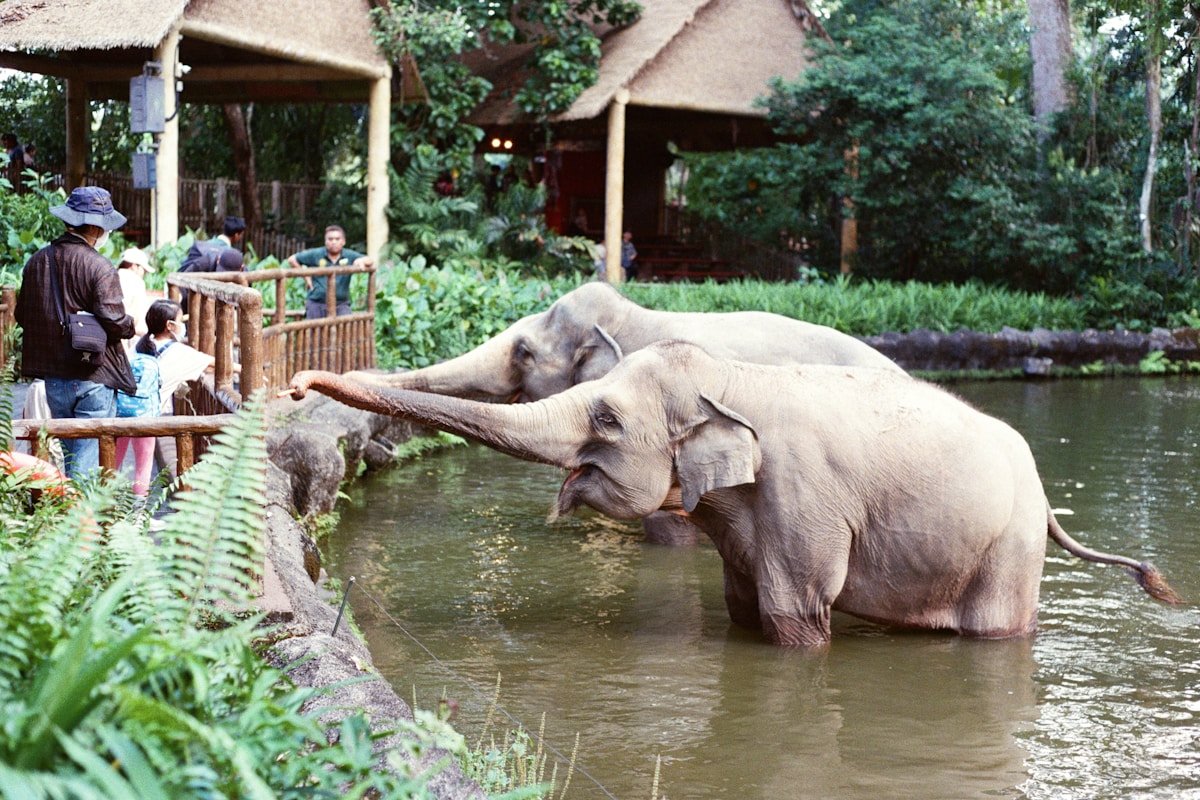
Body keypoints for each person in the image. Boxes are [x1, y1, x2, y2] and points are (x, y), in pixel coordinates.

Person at [15, 186, 136, 479]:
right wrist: (130, 324)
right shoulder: (100, 266)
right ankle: (79, 522)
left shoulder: (36, 262)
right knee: (85, 464)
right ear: (95, 227)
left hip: (55, 377)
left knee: (71, 457)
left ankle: (69, 517)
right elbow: (115, 321)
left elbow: (22, 315)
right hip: (94, 375)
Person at [147, 299, 216, 483]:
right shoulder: (178, 351)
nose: (183, 326)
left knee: (113, 462)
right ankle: (138, 511)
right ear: (170, 325)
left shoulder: (143, 343)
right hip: (147, 415)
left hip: (123, 411)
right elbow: (213, 363)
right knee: (142, 469)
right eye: (180, 320)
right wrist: (247, 369)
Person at [287, 225, 374, 319]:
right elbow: (292, 260)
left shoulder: (349, 255)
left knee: (344, 331)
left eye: (337, 239)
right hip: (316, 303)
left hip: (341, 304)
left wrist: (361, 261)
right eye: (330, 239)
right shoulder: (316, 254)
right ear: (325, 241)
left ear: (343, 241)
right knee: (315, 332)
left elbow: (370, 260)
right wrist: (306, 276)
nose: (334, 242)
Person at [116, 247, 155, 349]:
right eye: (144, 270)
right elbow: (134, 316)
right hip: (128, 333)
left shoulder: (113, 275)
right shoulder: (137, 281)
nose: (144, 274)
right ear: (134, 266)